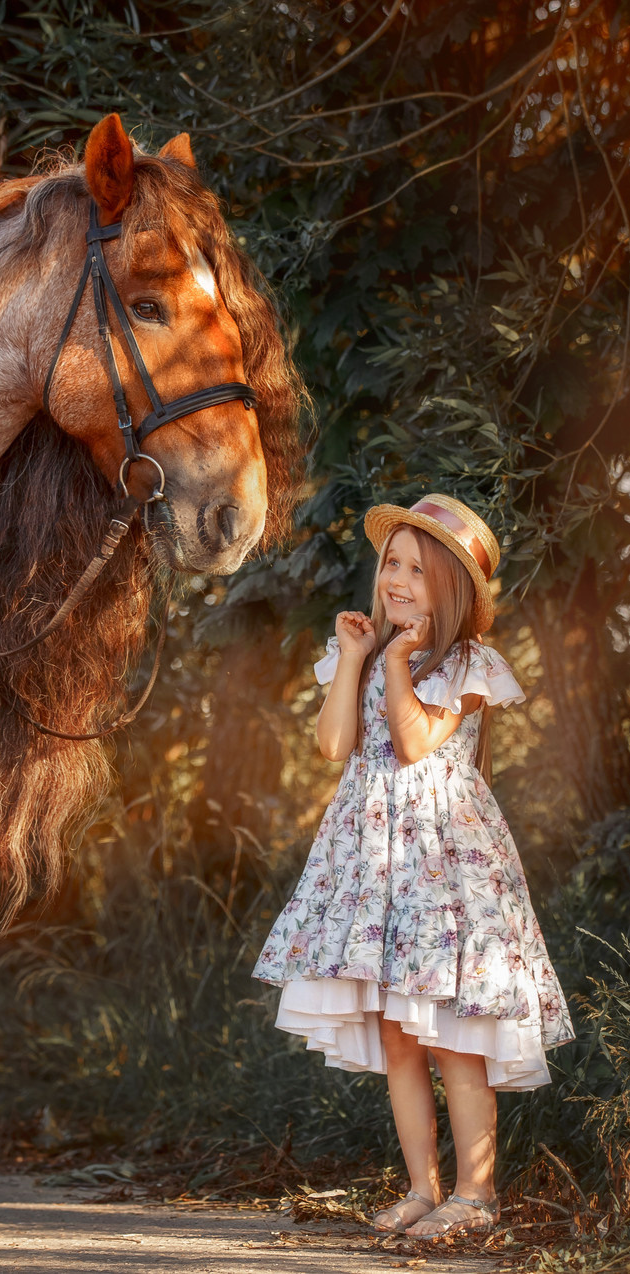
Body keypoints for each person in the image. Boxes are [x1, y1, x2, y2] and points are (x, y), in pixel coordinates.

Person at [252, 494, 574, 1240]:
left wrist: (395, 660)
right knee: (401, 1036)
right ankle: (422, 1189)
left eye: (416, 572)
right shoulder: (360, 655)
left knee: (451, 1035)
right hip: (374, 858)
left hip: (442, 864)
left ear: (451, 590)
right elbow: (334, 747)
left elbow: (412, 742)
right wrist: (360, 658)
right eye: (390, 564)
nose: (395, 581)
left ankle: (476, 1195)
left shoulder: (465, 663)